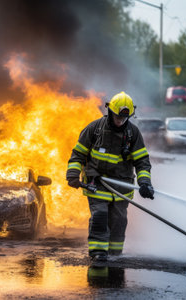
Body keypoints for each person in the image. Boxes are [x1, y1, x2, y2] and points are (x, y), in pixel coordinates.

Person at [66, 91, 154, 262]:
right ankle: (98, 253)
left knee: (119, 221)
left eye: (124, 119)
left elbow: (142, 161)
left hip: (122, 187)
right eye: (117, 117)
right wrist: (73, 174)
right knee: (100, 216)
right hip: (97, 183)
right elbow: (78, 154)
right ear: (110, 112)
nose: (120, 121)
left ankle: (115, 254)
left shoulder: (132, 134)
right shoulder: (95, 129)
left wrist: (144, 182)